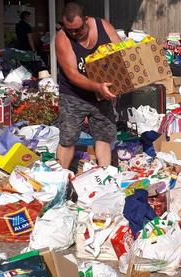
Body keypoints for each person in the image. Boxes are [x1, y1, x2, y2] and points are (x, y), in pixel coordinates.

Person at [55, 2, 120, 169]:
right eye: (70, 30)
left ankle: (104, 174)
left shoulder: (103, 26)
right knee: (68, 138)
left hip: (103, 93)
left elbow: (121, 54)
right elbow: (73, 75)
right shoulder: (62, 38)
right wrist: (98, 87)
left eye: (78, 29)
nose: (74, 33)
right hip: (74, 95)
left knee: (104, 136)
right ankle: (61, 177)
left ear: (86, 20)